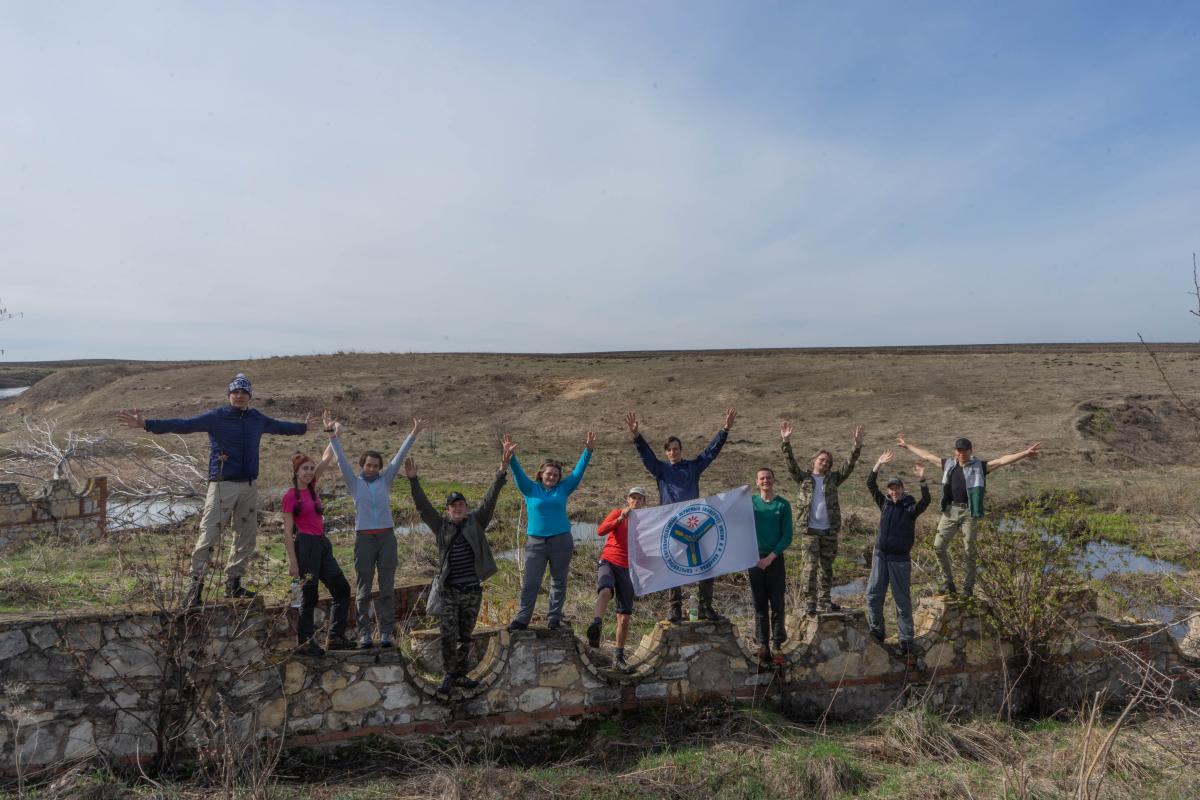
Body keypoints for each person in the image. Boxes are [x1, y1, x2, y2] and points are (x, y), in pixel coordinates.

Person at [117, 373, 314, 607]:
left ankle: (234, 584)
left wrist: (302, 428)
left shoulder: (256, 418)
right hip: (222, 484)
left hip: (249, 485)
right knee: (209, 535)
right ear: (229, 395)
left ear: (249, 395)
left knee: (246, 536)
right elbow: (184, 424)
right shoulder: (216, 417)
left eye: (243, 392)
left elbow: (280, 427)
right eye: (235, 392)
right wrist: (147, 424)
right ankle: (195, 587)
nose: (239, 396)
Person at [405, 443, 512, 694]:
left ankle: (461, 675)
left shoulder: (477, 521)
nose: (458, 508)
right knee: (448, 634)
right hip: (449, 591)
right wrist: (413, 481)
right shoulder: (440, 526)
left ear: (466, 507)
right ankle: (450, 675)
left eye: (461, 504)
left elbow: (490, 499)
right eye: (453, 505)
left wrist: (501, 471)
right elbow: (423, 507)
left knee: (466, 635)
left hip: (472, 590)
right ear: (448, 509)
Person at [624, 408, 737, 623]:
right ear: (666, 453)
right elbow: (646, 456)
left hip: (695, 525)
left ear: (681, 450)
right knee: (672, 566)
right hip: (672, 526)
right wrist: (636, 436)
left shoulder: (693, 467)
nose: (673, 452)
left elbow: (710, 453)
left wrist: (725, 429)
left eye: (676, 449)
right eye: (670, 450)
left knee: (707, 565)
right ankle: (675, 608)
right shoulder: (660, 470)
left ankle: (705, 606)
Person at [896, 434, 1041, 598]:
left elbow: (1002, 460)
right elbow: (927, 455)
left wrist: (1025, 453)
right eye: (959, 450)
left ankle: (968, 588)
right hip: (950, 511)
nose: (962, 453)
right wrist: (907, 445)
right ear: (955, 452)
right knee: (938, 546)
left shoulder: (979, 466)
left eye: (965, 450)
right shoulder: (949, 465)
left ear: (970, 451)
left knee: (969, 551)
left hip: (970, 513)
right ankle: (948, 583)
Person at [327, 413, 425, 649]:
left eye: (375, 465)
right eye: (368, 465)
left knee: (387, 589)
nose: (371, 468)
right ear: (362, 466)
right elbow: (340, 459)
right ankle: (364, 634)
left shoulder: (385, 480)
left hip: (386, 538)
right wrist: (331, 434)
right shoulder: (354, 482)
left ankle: (386, 633)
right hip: (364, 540)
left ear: (380, 468)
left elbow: (399, 457)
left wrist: (413, 434)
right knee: (363, 590)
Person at [504, 431, 595, 632]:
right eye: (548, 473)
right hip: (535, 543)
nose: (552, 477)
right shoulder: (530, 489)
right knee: (531, 583)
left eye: (555, 474)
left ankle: (554, 617)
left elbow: (579, 472)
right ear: (541, 474)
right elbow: (517, 473)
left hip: (561, 541)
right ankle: (522, 619)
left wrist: (587, 451)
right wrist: (511, 456)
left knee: (558, 581)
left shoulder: (563, 488)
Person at [780, 421, 864, 615]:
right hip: (809, 531)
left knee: (826, 567)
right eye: (822, 460)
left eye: (827, 461)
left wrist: (856, 446)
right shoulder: (804, 478)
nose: (825, 463)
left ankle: (825, 600)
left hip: (829, 530)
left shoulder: (834, 479)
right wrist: (785, 442)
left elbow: (849, 465)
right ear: (814, 461)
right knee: (809, 568)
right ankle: (809, 601)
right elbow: (790, 464)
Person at [282, 450, 353, 656]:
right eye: (305, 469)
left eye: (311, 469)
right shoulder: (290, 496)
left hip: (322, 544)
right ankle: (305, 642)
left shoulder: (312, 488)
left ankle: (335, 638)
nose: (310, 472)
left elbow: (326, 458)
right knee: (309, 595)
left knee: (342, 589)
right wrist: (293, 563)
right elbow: (287, 532)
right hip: (305, 546)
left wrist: (332, 432)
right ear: (296, 472)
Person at [864, 450, 930, 656]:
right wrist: (878, 464)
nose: (894, 491)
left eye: (897, 488)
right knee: (873, 596)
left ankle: (906, 639)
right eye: (891, 488)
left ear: (902, 489)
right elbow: (870, 484)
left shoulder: (910, 508)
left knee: (901, 601)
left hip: (899, 560)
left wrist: (922, 479)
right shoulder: (884, 504)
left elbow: (926, 500)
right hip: (880, 557)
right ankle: (877, 630)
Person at [586, 487, 648, 671]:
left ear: (645, 502)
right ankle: (596, 625)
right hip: (609, 559)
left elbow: (646, 546)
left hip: (627, 568)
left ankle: (618, 658)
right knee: (605, 589)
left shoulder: (646, 522)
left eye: (639, 498)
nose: (636, 501)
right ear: (627, 499)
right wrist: (621, 518)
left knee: (624, 617)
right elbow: (600, 531)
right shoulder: (617, 513)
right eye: (633, 497)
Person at [749, 467, 793, 667]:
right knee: (759, 604)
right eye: (761, 478)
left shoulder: (783, 505)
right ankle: (762, 645)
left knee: (777, 604)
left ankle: (777, 645)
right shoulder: (750, 503)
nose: (765, 480)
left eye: (768, 477)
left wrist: (771, 557)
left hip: (775, 560)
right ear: (757, 482)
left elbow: (787, 536)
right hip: (754, 560)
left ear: (773, 480)